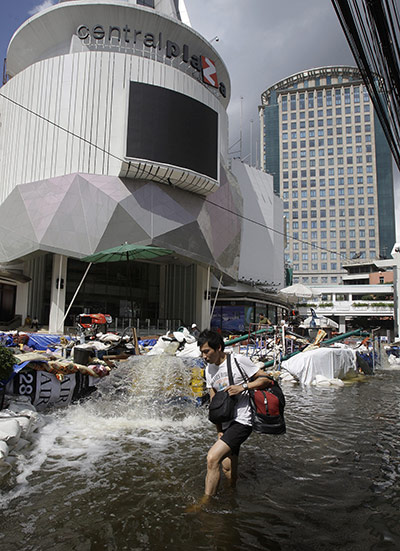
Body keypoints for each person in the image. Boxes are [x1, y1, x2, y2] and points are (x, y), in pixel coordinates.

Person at [193, 329, 271, 508]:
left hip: (243, 421)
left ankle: (206, 503)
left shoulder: (238, 361)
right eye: (202, 352)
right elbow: (214, 403)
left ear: (218, 347)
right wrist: (219, 430)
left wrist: (243, 387)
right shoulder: (209, 370)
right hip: (226, 422)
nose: (204, 356)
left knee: (212, 458)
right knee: (227, 468)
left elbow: (266, 380)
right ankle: (232, 498)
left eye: (207, 351)